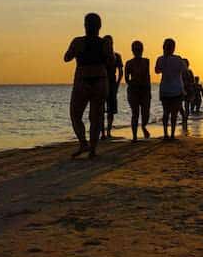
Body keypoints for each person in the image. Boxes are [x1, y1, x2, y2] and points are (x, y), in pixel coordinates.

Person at [64, 13, 114, 159]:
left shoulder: (78, 41)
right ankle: (91, 149)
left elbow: (67, 57)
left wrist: (77, 51)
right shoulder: (104, 43)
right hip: (100, 80)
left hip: (83, 80)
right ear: (99, 26)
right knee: (96, 118)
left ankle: (84, 143)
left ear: (85, 25)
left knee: (76, 114)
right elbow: (111, 62)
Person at [155, 38, 185, 140]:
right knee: (174, 114)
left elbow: (157, 71)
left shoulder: (160, 59)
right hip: (176, 89)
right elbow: (184, 69)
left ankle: (165, 134)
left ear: (164, 47)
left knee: (166, 113)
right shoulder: (178, 59)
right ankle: (171, 134)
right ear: (173, 48)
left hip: (165, 90)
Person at [124, 40, 151, 141]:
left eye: (139, 49)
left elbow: (148, 77)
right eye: (135, 49)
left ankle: (143, 126)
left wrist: (148, 91)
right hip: (133, 91)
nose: (137, 51)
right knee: (135, 113)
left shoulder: (146, 61)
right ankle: (134, 136)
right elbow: (126, 78)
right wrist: (133, 83)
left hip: (145, 90)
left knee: (146, 113)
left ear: (142, 50)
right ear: (132, 50)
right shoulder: (129, 63)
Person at [100, 35, 123, 139]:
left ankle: (108, 132)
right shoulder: (100, 56)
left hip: (112, 84)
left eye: (109, 43)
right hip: (101, 83)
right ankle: (102, 133)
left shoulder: (117, 56)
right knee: (100, 109)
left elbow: (121, 72)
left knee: (111, 110)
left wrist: (118, 84)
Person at [181, 58, 195, 128]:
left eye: (184, 63)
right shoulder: (180, 72)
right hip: (181, 90)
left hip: (189, 90)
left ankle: (185, 119)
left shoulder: (190, 72)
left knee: (187, 107)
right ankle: (184, 117)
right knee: (179, 106)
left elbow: (193, 81)